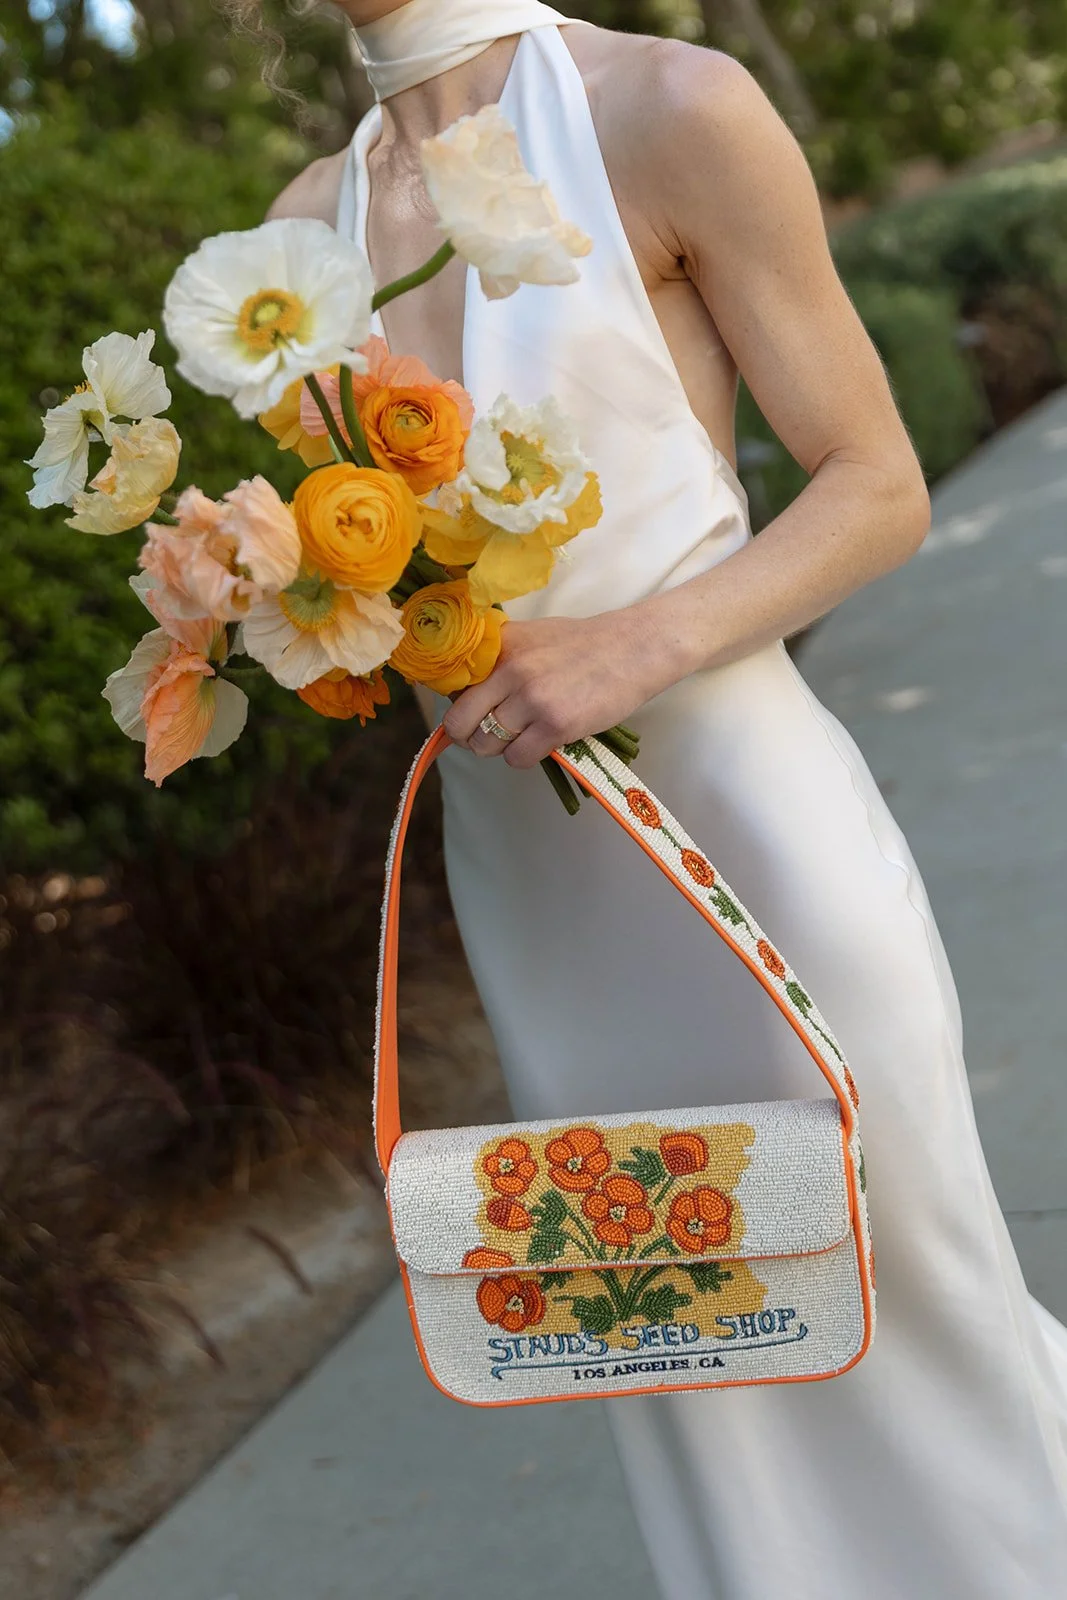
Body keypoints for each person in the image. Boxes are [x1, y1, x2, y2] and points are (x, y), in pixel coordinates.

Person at [265, 3, 1067, 1594]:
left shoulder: (669, 106)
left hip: (745, 830)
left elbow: (874, 482)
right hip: (535, 883)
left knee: (904, 1290)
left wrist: (632, 644)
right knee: (673, 1331)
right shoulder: (301, 232)